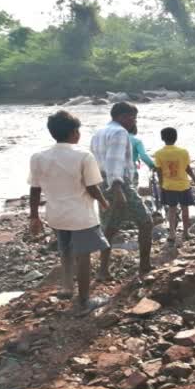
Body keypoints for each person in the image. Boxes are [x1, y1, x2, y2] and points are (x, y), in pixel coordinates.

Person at [29, 111, 110, 314]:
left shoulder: (38, 157)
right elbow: (92, 186)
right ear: (74, 132)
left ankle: (67, 287)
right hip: (81, 216)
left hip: (56, 215)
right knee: (84, 256)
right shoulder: (83, 155)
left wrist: (34, 216)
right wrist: (103, 201)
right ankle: (84, 301)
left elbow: (35, 189)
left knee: (65, 251)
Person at [91, 102, 153, 278]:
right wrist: (118, 188)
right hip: (118, 182)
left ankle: (103, 270)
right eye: (132, 117)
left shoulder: (99, 132)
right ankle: (145, 266)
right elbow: (114, 161)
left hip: (101, 181)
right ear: (122, 116)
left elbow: (95, 160)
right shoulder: (120, 132)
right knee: (145, 222)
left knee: (109, 227)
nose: (134, 121)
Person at [153, 127, 195, 245]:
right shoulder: (183, 152)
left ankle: (172, 234)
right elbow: (187, 168)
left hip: (169, 186)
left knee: (171, 210)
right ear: (176, 138)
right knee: (185, 210)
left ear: (162, 138)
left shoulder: (159, 153)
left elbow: (159, 171)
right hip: (183, 185)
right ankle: (186, 233)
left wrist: (161, 185)